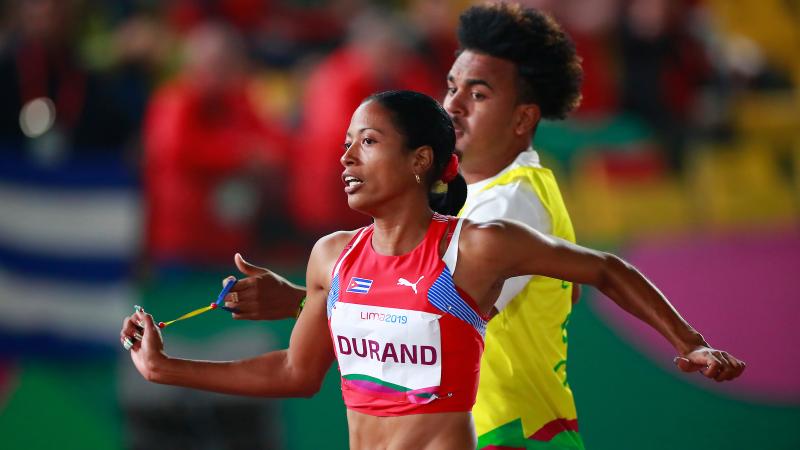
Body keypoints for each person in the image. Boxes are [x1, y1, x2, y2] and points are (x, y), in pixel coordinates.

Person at [219, 4, 728, 448]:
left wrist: (300, 301)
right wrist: (310, 298)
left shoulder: (511, 205)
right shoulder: (467, 195)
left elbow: (428, 319)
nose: (453, 105)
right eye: (451, 86)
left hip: (511, 436)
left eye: (478, 95)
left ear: (523, 118)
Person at [122, 90, 745, 450]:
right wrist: (165, 367)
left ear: (421, 160)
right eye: (346, 143)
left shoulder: (471, 252)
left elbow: (605, 268)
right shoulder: (333, 258)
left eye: (367, 141)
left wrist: (691, 343)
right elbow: (295, 370)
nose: (345, 155)